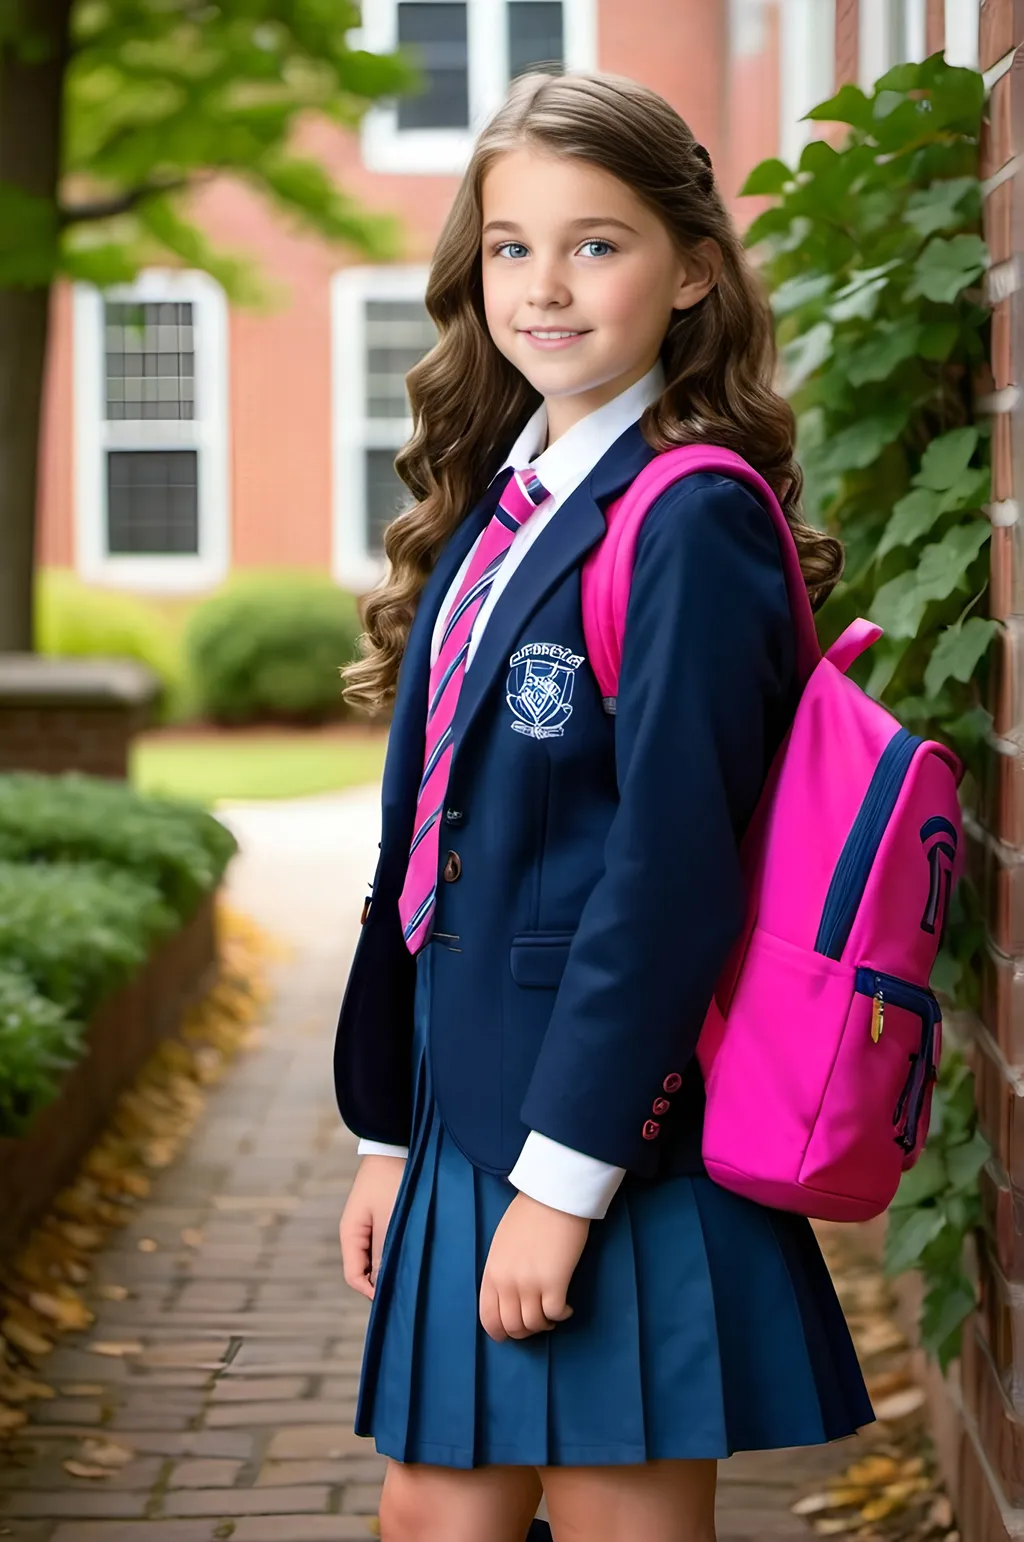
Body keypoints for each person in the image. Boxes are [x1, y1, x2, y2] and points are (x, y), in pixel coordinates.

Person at [334, 68, 873, 1542]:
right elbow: (424, 849)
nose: (545, 287)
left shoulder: (689, 514)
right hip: (464, 1110)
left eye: (598, 242)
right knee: (430, 1515)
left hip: (604, 1128)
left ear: (693, 268)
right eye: (513, 246)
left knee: (616, 1517)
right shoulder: (493, 510)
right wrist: (389, 1130)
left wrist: (566, 1181)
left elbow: (672, 876)